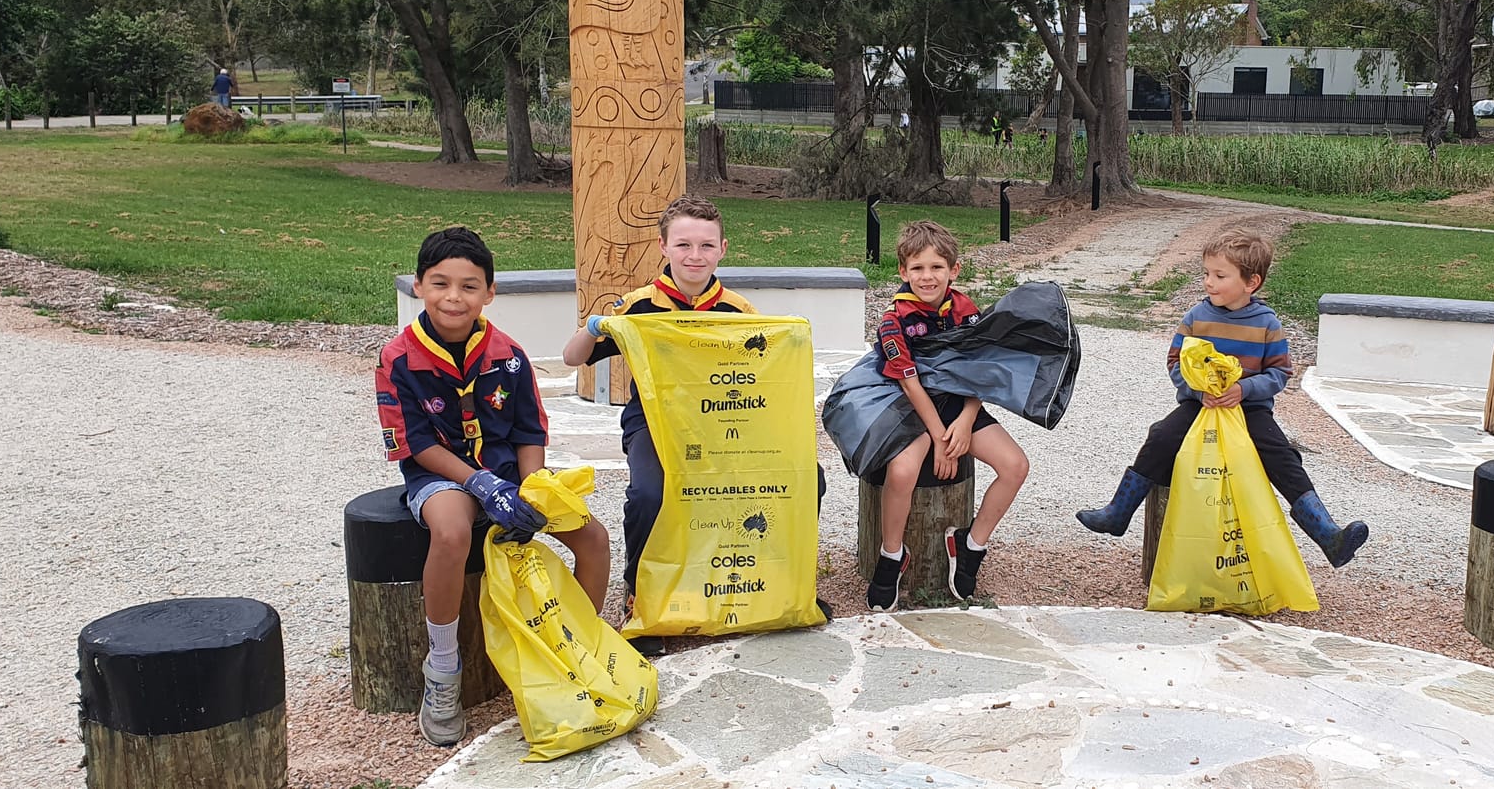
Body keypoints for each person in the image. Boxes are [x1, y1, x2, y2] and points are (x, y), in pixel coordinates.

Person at [375, 227, 610, 747]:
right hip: (442, 475)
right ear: (418, 286)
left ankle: (580, 647)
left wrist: (531, 488)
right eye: (440, 284)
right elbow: (415, 443)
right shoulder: (399, 358)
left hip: (509, 472)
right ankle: (442, 666)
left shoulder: (507, 354)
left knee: (591, 536)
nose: (453, 297)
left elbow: (529, 429)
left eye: (469, 285)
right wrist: (481, 484)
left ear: (489, 292)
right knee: (454, 532)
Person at [563, 196, 808, 654]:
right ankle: (640, 594)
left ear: (723, 249)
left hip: (722, 425)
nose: (694, 256)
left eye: (706, 245)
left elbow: (769, 374)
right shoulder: (637, 306)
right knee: (648, 495)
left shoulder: (739, 311)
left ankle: (772, 584)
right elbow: (573, 358)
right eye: (683, 245)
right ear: (663, 247)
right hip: (653, 425)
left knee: (803, 480)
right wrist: (597, 326)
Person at [1075, 229, 1368, 568]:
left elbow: (1279, 373)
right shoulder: (1197, 317)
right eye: (1206, 274)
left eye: (1219, 275)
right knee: (1161, 436)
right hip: (1198, 405)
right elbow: (1175, 362)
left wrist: (1244, 389)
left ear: (1251, 282)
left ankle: (1328, 535)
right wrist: (1197, 391)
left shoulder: (1267, 324)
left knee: (1283, 456)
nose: (1208, 283)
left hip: (1250, 410)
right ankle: (1118, 513)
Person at [866, 221, 1032, 610]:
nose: (928, 277)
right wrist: (943, 440)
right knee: (902, 472)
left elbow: (982, 373)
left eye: (937, 267)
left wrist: (966, 420)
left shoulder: (966, 310)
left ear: (954, 270)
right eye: (918, 268)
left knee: (1016, 466)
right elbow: (910, 385)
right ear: (903, 272)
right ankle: (892, 554)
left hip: (962, 405)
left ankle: (971, 544)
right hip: (912, 407)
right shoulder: (894, 321)